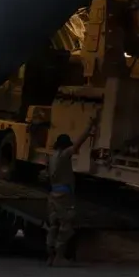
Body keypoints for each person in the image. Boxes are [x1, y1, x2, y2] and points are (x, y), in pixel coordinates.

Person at [46, 114, 99, 266]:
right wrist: (89, 128)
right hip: (64, 196)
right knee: (65, 227)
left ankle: (50, 256)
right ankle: (59, 257)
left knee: (53, 225)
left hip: (53, 195)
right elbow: (77, 145)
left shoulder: (51, 157)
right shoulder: (63, 155)